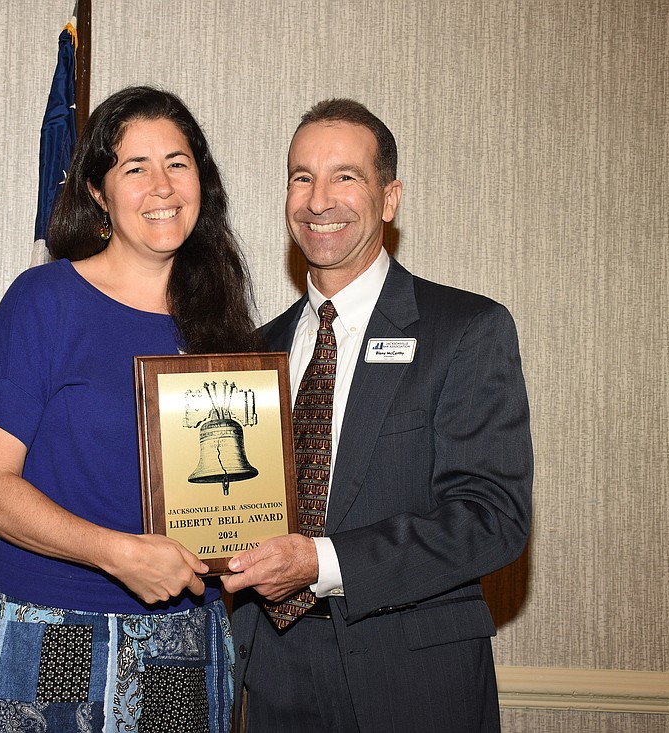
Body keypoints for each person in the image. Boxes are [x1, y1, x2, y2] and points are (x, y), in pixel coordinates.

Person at [0, 86, 260, 733]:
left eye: (178, 162)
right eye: (135, 167)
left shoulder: (226, 329)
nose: (162, 185)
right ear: (98, 189)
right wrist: (117, 554)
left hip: (184, 641)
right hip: (56, 627)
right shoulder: (44, 301)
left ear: (201, 179)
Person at [222, 99, 533, 732]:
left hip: (413, 681)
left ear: (388, 199)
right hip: (273, 673)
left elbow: (491, 519)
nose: (318, 199)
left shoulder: (465, 330)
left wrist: (323, 562)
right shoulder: (253, 353)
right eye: (301, 177)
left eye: (345, 177)